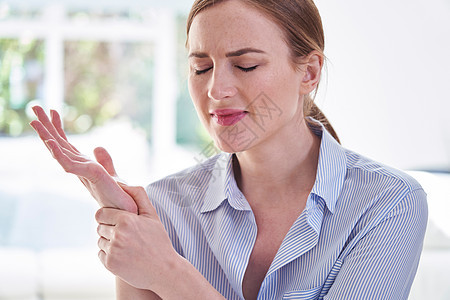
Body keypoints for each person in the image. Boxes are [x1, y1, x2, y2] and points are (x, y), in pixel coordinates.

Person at [30, 0, 428, 299]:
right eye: (201, 67)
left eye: (246, 65)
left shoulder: (387, 203)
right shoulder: (163, 207)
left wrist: (170, 273)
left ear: (308, 72)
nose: (216, 90)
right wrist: (125, 222)